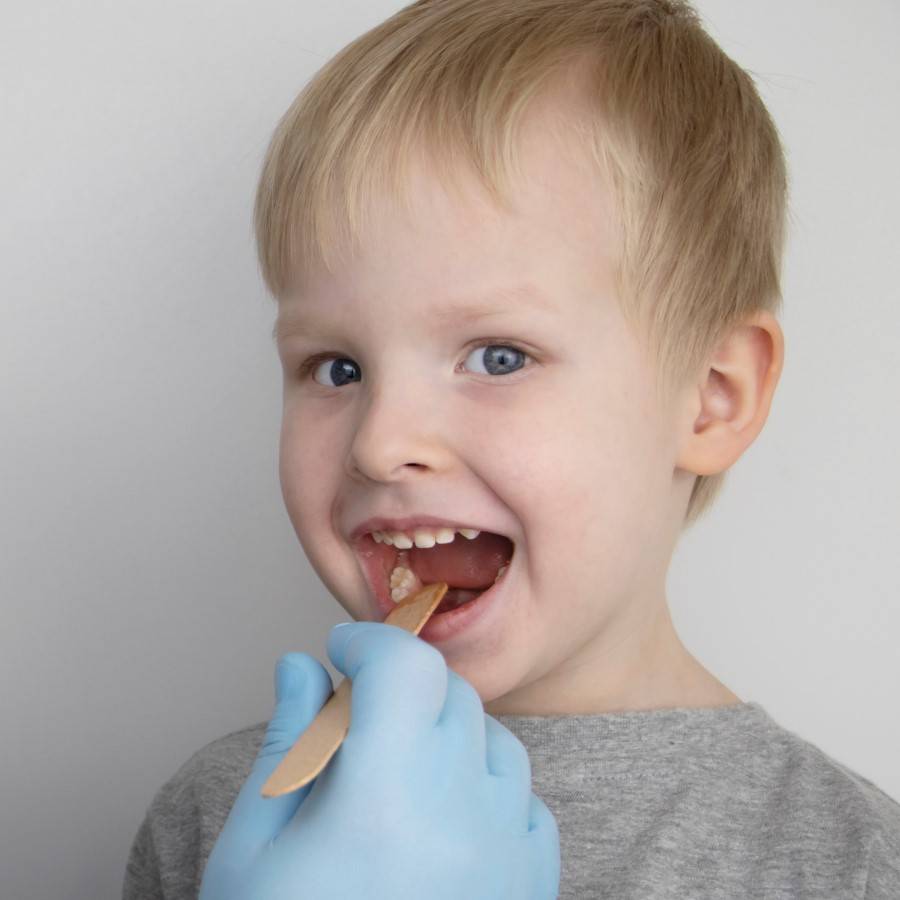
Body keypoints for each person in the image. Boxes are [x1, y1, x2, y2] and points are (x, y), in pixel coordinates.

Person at [123, 1, 900, 897]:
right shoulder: (221, 823)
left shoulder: (849, 862)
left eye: (498, 356)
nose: (380, 444)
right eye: (336, 367)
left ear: (711, 399)